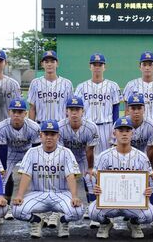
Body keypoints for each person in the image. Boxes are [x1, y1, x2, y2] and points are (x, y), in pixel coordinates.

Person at [12, 120, 83, 238]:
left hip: (61, 194)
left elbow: (70, 175)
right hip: (38, 194)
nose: (49, 137)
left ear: (58, 136)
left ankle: (63, 221)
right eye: (46, 134)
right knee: (16, 210)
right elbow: (26, 175)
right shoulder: (32, 152)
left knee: (78, 211)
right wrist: (19, 195)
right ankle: (36, 220)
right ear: (41, 135)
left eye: (53, 134)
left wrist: (74, 196)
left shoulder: (66, 153)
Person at [89, 117, 153, 239]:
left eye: (127, 130)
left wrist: (147, 191)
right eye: (121, 130)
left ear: (132, 133)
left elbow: (146, 183)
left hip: (133, 203)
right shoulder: (104, 156)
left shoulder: (142, 157)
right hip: (110, 203)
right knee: (92, 212)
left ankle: (134, 223)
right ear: (114, 133)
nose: (124, 133)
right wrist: (96, 189)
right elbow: (96, 180)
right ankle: (105, 224)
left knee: (150, 214)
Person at [0, 98, 41, 221]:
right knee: (1, 177)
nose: (16, 115)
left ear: (25, 114)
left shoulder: (34, 127)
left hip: (28, 152)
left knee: (37, 176)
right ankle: (0, 210)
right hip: (9, 152)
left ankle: (36, 208)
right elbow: (2, 149)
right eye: (14, 111)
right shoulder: (2, 127)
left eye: (20, 112)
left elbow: (36, 149)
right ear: (9, 112)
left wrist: (35, 168)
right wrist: (2, 169)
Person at [58, 96, 100, 228]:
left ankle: (93, 210)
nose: (74, 113)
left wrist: (91, 168)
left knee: (91, 178)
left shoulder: (91, 127)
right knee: (59, 179)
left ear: (82, 111)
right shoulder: (60, 126)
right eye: (71, 110)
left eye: (77, 109)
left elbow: (89, 150)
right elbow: (61, 152)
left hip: (83, 156)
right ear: (66, 111)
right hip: (66, 157)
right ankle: (59, 213)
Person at [125, 94, 153, 226]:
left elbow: (151, 149)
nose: (136, 111)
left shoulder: (151, 125)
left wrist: (151, 168)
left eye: (139, 108)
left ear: (144, 109)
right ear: (128, 109)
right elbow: (116, 147)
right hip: (126, 158)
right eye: (133, 108)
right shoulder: (121, 123)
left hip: (145, 157)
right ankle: (126, 210)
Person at [74, 53, 121, 154]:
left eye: (100, 65)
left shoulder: (113, 86)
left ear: (105, 67)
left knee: (107, 158)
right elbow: (77, 110)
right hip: (87, 127)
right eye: (94, 64)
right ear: (90, 67)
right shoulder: (81, 87)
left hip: (107, 127)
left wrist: (115, 129)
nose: (97, 67)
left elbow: (116, 110)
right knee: (86, 159)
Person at [27, 50, 73, 123]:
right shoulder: (35, 83)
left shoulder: (67, 83)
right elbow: (32, 108)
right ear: (42, 64)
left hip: (61, 125)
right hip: (41, 125)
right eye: (46, 62)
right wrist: (31, 127)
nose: (49, 64)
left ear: (57, 64)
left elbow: (70, 109)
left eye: (52, 61)